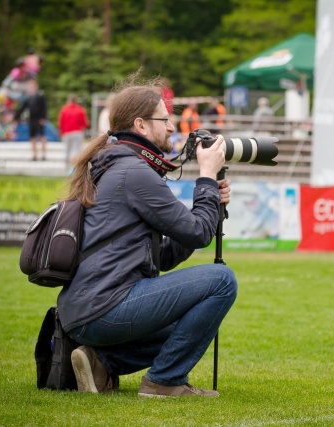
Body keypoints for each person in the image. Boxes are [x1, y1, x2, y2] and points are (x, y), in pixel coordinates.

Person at [59, 76, 237, 398]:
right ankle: (164, 382)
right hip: (104, 307)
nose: (172, 128)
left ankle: (100, 362)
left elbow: (163, 258)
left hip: (87, 310)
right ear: (141, 125)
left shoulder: (118, 165)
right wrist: (207, 178)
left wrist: (211, 199)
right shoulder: (135, 172)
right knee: (222, 280)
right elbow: (197, 232)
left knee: (187, 328)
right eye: (165, 120)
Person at [14, 79, 47, 160]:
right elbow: (23, 108)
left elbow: (44, 107)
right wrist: (15, 117)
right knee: (32, 137)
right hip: (32, 119)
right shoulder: (28, 97)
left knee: (42, 136)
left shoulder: (41, 95)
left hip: (39, 118)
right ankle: (34, 155)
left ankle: (43, 154)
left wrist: (43, 118)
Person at [58, 94, 89, 170]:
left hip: (67, 133)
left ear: (68, 101)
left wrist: (61, 133)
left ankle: (66, 168)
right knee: (77, 151)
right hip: (77, 132)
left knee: (67, 151)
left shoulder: (64, 110)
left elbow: (60, 123)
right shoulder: (80, 109)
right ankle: (77, 168)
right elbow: (85, 123)